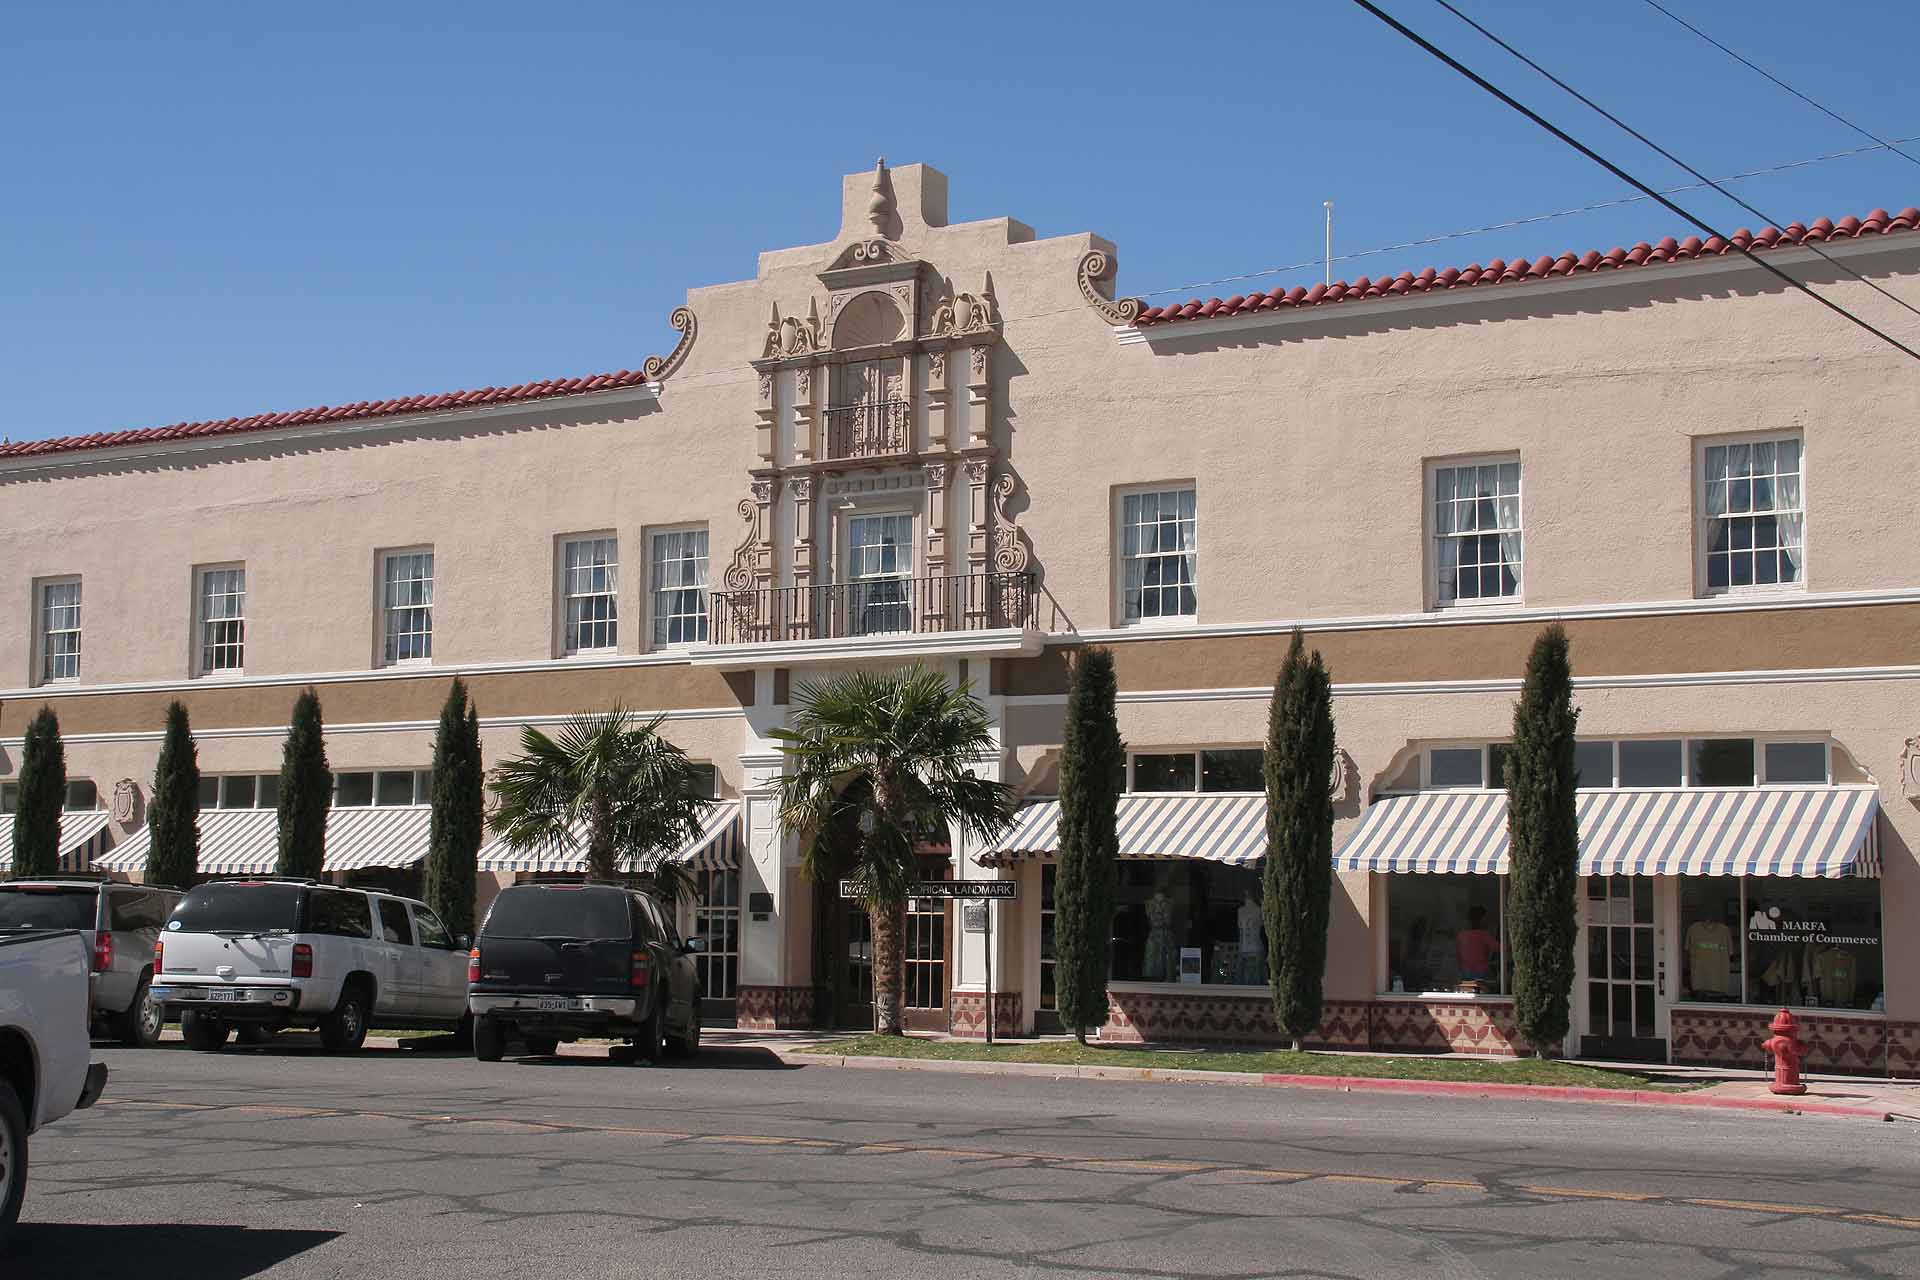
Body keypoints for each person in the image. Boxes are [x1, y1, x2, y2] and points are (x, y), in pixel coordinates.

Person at [1456, 905, 1499, 983]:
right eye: (1486, 918)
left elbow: (1457, 955)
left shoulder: (1461, 935)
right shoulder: (1484, 935)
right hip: (1480, 971)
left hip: (1464, 971)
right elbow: (1499, 948)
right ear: (1481, 919)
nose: (1488, 921)